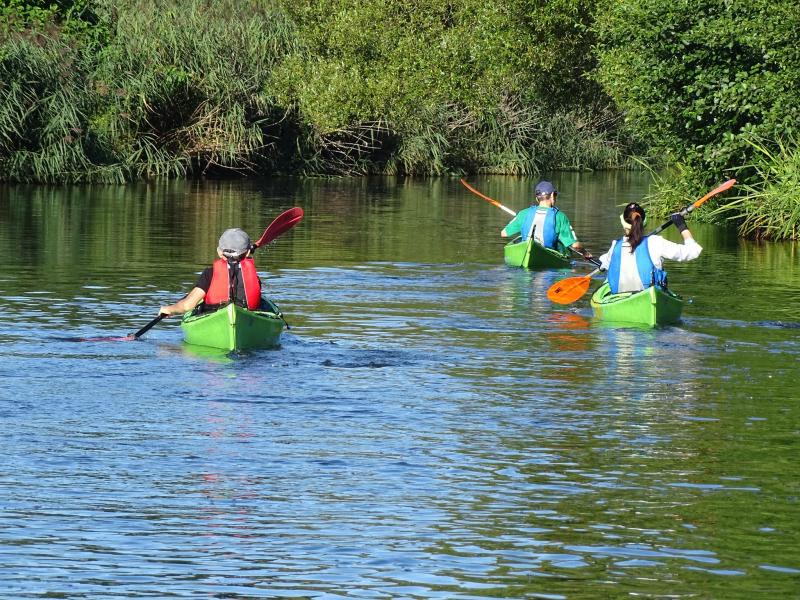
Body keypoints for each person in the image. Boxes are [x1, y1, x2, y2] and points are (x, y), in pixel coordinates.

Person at [597, 202, 702, 294]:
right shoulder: (655, 242)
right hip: (650, 294)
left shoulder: (615, 246)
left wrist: (598, 262)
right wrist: (681, 225)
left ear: (623, 224)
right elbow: (693, 251)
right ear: (644, 223)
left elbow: (604, 262)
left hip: (619, 296)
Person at [159, 228, 263, 317]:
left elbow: (187, 305)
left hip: (213, 314)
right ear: (248, 253)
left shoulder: (210, 273)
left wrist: (169, 309)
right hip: (247, 318)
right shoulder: (253, 275)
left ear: (219, 252)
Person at [501, 180, 591, 259]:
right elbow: (575, 245)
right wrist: (585, 253)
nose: (555, 197)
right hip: (547, 257)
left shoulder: (524, 213)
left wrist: (519, 219)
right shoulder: (560, 216)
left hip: (525, 251)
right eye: (555, 194)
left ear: (537, 198)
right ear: (552, 195)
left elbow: (504, 233)